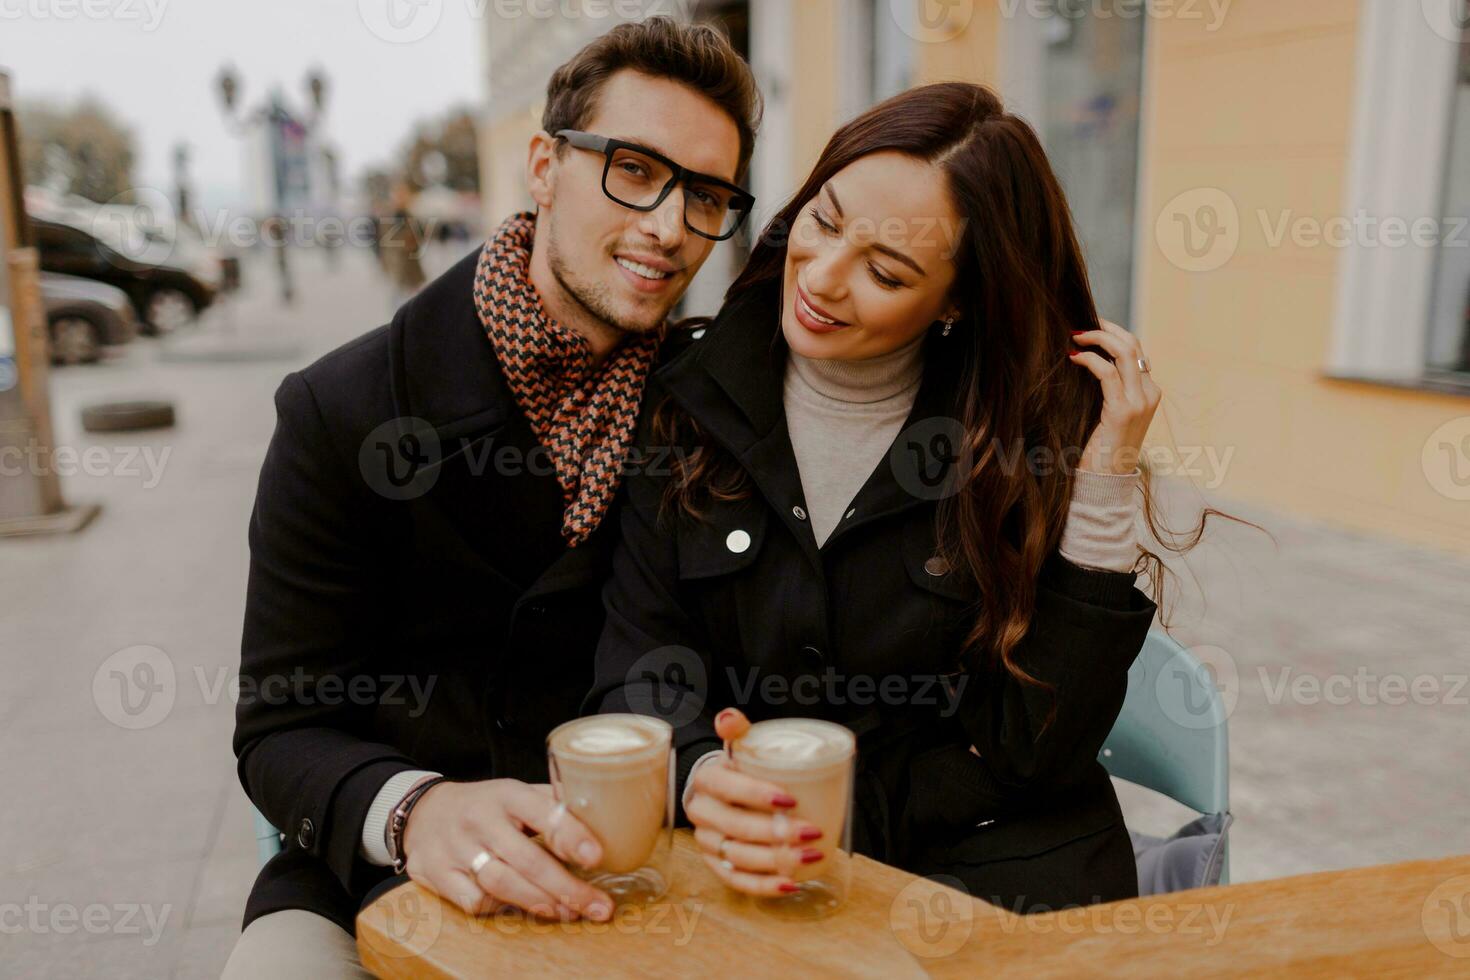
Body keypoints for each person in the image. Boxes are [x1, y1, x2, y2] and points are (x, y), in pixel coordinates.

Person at [590, 81, 1228, 913]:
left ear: (957, 300)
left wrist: (1100, 486)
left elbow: (1036, 752)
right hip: (764, 878)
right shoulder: (683, 402)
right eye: (822, 220)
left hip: (998, 884)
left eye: (886, 271)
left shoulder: (1013, 440)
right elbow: (639, 661)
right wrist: (703, 773)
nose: (821, 277)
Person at [223, 19, 761, 978]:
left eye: (707, 195)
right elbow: (280, 727)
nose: (670, 226)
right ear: (544, 166)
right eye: (634, 170)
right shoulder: (344, 407)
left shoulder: (703, 401)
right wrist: (415, 808)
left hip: (638, 873)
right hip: (371, 879)